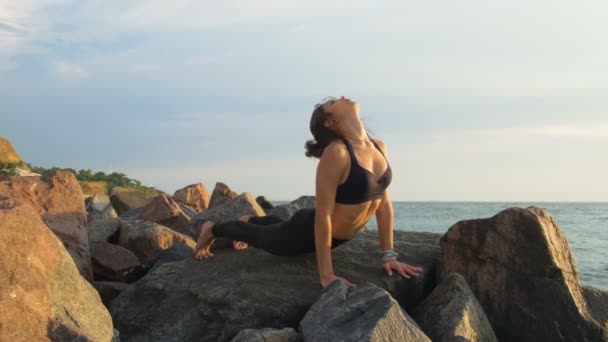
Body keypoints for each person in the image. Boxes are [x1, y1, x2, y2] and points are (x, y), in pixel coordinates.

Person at [193, 96, 423, 288]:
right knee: (263, 237)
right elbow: (323, 216)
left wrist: (389, 256)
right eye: (333, 102)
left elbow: (384, 205)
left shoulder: (378, 146)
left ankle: (250, 219)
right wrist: (327, 276)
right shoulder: (337, 154)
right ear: (330, 122)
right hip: (305, 233)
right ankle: (212, 228)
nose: (342, 98)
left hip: (330, 234)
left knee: (279, 224)